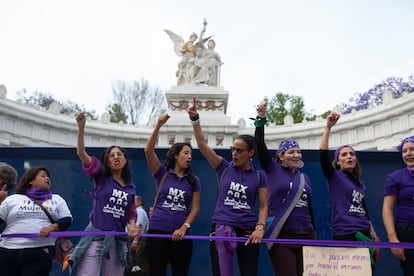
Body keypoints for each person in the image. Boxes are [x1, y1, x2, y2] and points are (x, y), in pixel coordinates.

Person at [187, 97, 268, 276]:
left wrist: (260, 227)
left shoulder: (258, 175)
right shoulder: (222, 166)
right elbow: (201, 144)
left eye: (239, 150)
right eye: (233, 149)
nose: (234, 153)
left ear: (251, 153)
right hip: (221, 228)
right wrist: (195, 119)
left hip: (247, 231)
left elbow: (263, 205)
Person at [69, 111, 138, 276]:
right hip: (95, 237)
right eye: (111, 155)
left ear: (125, 160)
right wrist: (81, 128)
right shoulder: (100, 177)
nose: (116, 157)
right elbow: (82, 154)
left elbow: (131, 211)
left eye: (119, 154)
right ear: (106, 161)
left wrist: (133, 225)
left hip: (117, 241)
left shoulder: (130, 187)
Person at [254, 101, 315, 276]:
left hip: (307, 236)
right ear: (281, 156)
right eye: (291, 152)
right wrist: (261, 118)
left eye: (298, 151)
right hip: (282, 236)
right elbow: (259, 144)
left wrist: (314, 234)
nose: (296, 155)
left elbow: (309, 209)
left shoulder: (305, 178)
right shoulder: (272, 169)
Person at [144, 113, 201, 276]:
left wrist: (184, 227)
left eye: (191, 154)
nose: (189, 156)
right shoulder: (162, 173)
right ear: (176, 155)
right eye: (185, 152)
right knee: (156, 272)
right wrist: (158, 125)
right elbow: (148, 151)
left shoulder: (193, 180)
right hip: (157, 231)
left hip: (181, 235)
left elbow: (195, 209)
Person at [320, 112, 380, 264]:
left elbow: (365, 212)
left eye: (352, 154)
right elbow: (323, 157)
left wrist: (374, 237)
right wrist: (328, 128)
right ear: (338, 162)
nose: (349, 157)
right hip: (345, 235)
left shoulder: (360, 185)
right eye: (344, 155)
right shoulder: (335, 177)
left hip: (365, 235)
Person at [0, 166, 73, 275]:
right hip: (8, 251)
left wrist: (51, 228)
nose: (47, 178)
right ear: (30, 180)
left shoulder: (56, 198)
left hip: (40, 252)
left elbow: (67, 219)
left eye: (48, 177)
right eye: (43, 176)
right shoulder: (12, 199)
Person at [382, 135, 414, 275]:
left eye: (412, 149)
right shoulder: (395, 177)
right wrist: (392, 238)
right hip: (406, 232)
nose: (408, 154)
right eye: (404, 150)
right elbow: (387, 208)